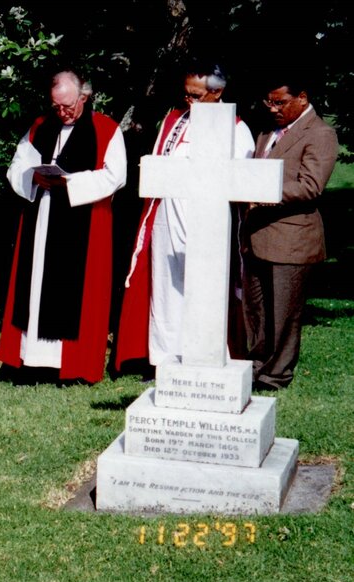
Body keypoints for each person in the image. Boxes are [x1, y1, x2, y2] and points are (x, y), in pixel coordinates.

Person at [115, 63, 255, 372]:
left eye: (196, 96)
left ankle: (209, 355)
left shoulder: (236, 128)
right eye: (186, 95)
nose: (189, 101)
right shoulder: (174, 121)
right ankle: (164, 359)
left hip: (209, 217)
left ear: (218, 92)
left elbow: (243, 181)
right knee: (166, 287)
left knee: (207, 287)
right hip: (168, 215)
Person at [0, 71, 127, 384]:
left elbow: (116, 176)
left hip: (81, 222)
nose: (62, 113)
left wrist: (69, 183)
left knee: (71, 291)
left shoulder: (105, 129)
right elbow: (17, 165)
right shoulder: (41, 126)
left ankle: (67, 365)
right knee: (36, 284)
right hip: (41, 218)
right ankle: (32, 360)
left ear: (84, 97)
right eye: (56, 107)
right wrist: (32, 176)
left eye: (68, 106)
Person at [242, 75, 337, 390]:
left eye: (280, 102)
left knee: (284, 313)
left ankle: (276, 375)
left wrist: (260, 193)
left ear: (303, 98)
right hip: (256, 236)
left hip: (292, 240)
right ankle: (257, 366)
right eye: (269, 102)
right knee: (255, 310)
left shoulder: (320, 134)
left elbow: (311, 185)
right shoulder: (266, 132)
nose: (273, 109)